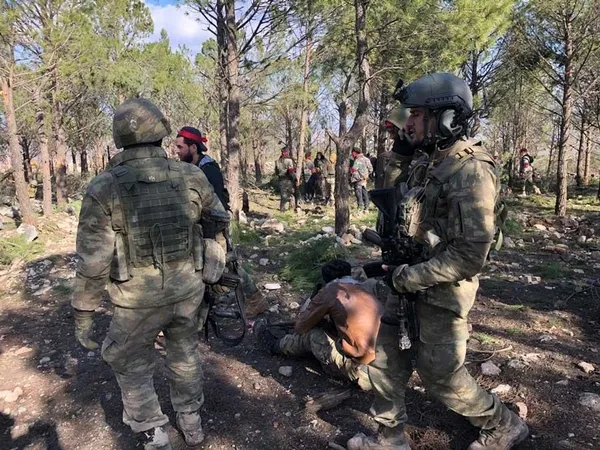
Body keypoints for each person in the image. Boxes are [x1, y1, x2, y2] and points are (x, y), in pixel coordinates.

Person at [348, 73, 529, 450]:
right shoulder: (428, 160)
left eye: (416, 114)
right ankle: (390, 438)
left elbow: (469, 256)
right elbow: (391, 198)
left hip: (442, 289)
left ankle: (503, 424)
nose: (407, 122)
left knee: (441, 376)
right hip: (406, 277)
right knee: (384, 361)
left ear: (445, 118)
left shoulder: (470, 170)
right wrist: (400, 152)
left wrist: (407, 278)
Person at [73, 98, 229, 450]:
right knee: (184, 353)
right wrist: (214, 256)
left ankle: (154, 434)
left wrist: (83, 312)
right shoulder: (191, 175)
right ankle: (191, 420)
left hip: (136, 301)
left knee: (131, 363)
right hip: (187, 290)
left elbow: (93, 261)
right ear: (161, 133)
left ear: (120, 136)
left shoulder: (104, 187)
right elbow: (219, 220)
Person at [254, 260, 385, 391]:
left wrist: (314, 298)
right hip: (385, 365)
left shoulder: (331, 292)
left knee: (312, 335)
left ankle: (275, 345)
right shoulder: (365, 288)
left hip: (363, 371)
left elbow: (300, 327)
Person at [175, 126, 228, 208]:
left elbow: (218, 205)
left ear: (193, 148)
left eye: (180, 147)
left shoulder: (210, 170)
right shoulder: (181, 168)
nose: (177, 151)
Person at [349, 147, 373, 213]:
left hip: (358, 179)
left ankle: (360, 207)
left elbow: (353, 170)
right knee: (365, 192)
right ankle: (366, 207)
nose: (352, 154)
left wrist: (353, 173)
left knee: (358, 193)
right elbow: (371, 169)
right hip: (364, 179)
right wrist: (366, 175)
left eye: (352, 153)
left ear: (354, 153)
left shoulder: (357, 160)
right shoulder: (367, 159)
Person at [274, 147, 296, 212]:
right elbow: (291, 171)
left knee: (283, 194)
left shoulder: (277, 161)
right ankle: (287, 208)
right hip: (288, 179)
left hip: (280, 179)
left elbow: (276, 171)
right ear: (287, 152)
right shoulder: (289, 160)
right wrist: (295, 178)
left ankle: (282, 208)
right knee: (291, 193)